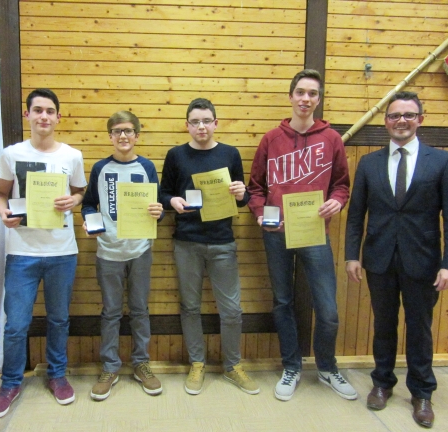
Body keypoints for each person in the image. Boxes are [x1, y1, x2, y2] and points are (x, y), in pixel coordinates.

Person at [345, 91, 448, 428]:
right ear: (386, 121)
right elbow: (355, 216)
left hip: (424, 262)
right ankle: (382, 383)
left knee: (420, 329)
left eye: (408, 115)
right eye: (395, 115)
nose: (401, 121)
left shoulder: (442, 162)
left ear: (420, 120)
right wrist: (352, 256)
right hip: (379, 259)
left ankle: (422, 393)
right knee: (383, 325)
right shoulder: (368, 163)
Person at [247, 69, 357, 402]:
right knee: (283, 302)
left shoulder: (332, 139)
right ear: (291, 96)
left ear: (318, 99)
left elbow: (341, 185)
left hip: (314, 232)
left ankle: (327, 367)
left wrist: (336, 202)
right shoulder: (271, 139)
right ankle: (291, 366)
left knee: (328, 310)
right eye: (300, 92)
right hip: (276, 234)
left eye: (312, 93)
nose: (306, 99)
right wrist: (260, 214)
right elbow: (256, 188)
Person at [0, 89, 87, 418]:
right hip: (22, 252)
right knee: (16, 325)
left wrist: (74, 200)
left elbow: (80, 192)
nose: (44, 116)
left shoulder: (72, 156)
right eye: (38, 110)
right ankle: (10, 383)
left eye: (50, 111)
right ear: (27, 115)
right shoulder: (11, 154)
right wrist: (3, 213)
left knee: (59, 319)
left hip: (62, 251)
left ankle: (57, 376)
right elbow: (0, 195)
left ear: (58, 117)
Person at [160, 98, 259, 395]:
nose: (201, 126)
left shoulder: (230, 153)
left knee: (231, 310)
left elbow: (242, 198)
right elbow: (163, 193)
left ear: (216, 123)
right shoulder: (176, 155)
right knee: (190, 307)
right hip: (186, 242)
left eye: (206, 121)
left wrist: (241, 193)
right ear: (187, 125)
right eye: (195, 122)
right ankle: (197, 363)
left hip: (222, 242)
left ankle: (232, 366)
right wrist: (172, 201)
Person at [81, 111, 163, 400]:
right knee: (111, 312)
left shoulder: (147, 167)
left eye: (128, 131)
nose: (123, 136)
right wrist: (89, 221)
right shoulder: (100, 168)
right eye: (117, 131)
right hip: (108, 251)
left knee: (140, 310)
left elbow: (159, 206)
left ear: (137, 135)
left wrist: (160, 211)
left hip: (140, 250)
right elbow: (88, 204)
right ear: (110, 136)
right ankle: (110, 367)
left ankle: (141, 363)